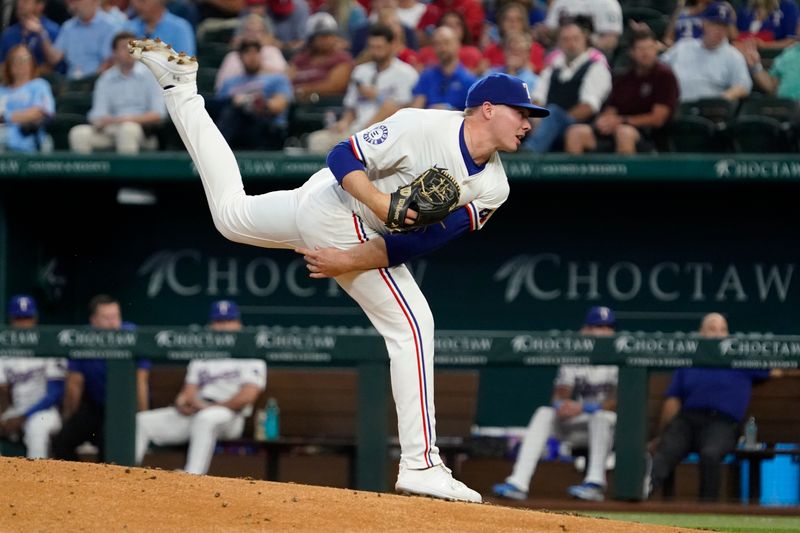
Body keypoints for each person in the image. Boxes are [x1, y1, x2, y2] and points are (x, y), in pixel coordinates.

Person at [128, 35, 548, 502]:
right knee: (414, 326)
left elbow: (426, 239)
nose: (528, 124)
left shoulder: (494, 188)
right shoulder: (421, 125)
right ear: (487, 109)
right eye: (521, 112)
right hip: (335, 202)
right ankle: (421, 464)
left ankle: (181, 90)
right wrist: (381, 203)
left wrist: (350, 258)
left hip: (339, 222)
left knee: (230, 216)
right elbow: (341, 156)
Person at [492, 306, 618, 502]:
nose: (603, 331)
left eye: (607, 327)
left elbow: (621, 401)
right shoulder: (576, 355)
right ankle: (518, 483)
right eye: (597, 326)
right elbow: (561, 392)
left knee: (601, 417)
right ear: (585, 330)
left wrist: (584, 407)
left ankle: (594, 484)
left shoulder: (619, 354)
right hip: (581, 425)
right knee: (544, 413)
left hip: (613, 429)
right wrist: (562, 404)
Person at [647, 313, 774, 502]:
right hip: (688, 420)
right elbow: (672, 401)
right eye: (712, 329)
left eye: (722, 330)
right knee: (667, 451)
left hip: (722, 423)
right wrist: (661, 435)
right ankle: (642, 498)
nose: (717, 334)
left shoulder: (740, 359)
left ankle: (707, 510)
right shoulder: (690, 361)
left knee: (710, 453)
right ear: (701, 333)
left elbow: (779, 367)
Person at [135, 300, 267, 474]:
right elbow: (188, 390)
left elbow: (247, 396)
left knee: (206, 418)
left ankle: (192, 475)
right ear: (211, 325)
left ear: (238, 324)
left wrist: (210, 407)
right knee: (142, 421)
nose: (224, 326)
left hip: (229, 416)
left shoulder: (250, 354)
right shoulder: (203, 353)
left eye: (228, 321)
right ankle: (125, 474)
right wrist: (183, 403)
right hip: (197, 410)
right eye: (219, 322)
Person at [51, 294, 151, 461]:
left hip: (125, 409)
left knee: (110, 445)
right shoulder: (82, 339)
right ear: (94, 321)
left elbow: (140, 382)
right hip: (95, 407)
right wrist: (68, 417)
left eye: (116, 317)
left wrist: (144, 419)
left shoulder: (133, 335)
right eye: (106, 318)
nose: (113, 324)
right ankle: (76, 482)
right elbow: (74, 384)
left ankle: (103, 485)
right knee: (62, 441)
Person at [306, 23, 418, 154]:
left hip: (387, 133)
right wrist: (344, 123)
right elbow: (351, 107)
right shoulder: (360, 71)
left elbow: (399, 109)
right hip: (357, 129)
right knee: (317, 140)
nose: (375, 51)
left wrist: (376, 97)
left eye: (379, 47)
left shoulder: (405, 73)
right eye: (372, 47)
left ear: (391, 46)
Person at [564, 28, 679, 155]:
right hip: (617, 128)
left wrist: (623, 120)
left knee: (624, 133)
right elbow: (613, 108)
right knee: (575, 132)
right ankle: (577, 175)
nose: (646, 53)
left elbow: (658, 118)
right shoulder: (624, 78)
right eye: (641, 49)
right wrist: (605, 121)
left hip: (649, 137)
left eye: (650, 48)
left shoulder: (664, 76)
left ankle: (627, 175)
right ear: (632, 52)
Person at [68, 31, 166, 154]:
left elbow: (158, 114)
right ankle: (87, 173)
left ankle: (127, 173)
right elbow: (97, 114)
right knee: (79, 133)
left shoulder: (151, 76)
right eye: (125, 47)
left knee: (127, 129)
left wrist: (128, 119)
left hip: (143, 131)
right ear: (114, 53)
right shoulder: (105, 79)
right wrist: (103, 120)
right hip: (111, 128)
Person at [523, 17, 611, 153]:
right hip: (547, 124)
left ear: (585, 40)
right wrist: (538, 120)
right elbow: (538, 99)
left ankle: (529, 153)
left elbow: (588, 107)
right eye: (566, 39)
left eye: (575, 39)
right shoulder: (553, 68)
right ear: (560, 43)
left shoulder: (596, 68)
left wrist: (557, 119)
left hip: (580, 125)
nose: (571, 44)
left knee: (553, 113)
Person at [0, 295, 66, 459]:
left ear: (35, 318)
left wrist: (23, 417)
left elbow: (54, 394)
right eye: (19, 319)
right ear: (11, 320)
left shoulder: (49, 346)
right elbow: (3, 391)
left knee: (37, 428)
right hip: (13, 410)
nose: (23, 324)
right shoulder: (4, 352)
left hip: (44, 412)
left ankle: (39, 480)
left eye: (27, 318)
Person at [661, 1, 752, 103]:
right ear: (704, 23)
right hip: (677, 108)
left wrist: (721, 100)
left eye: (724, 26)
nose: (720, 30)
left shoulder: (733, 55)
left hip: (709, 112)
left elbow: (744, 86)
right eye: (715, 24)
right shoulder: (683, 46)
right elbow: (658, 67)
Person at [213, 39, 293, 150]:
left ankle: (216, 150)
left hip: (266, 128)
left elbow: (280, 104)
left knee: (239, 111)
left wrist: (254, 103)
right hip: (235, 129)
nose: (252, 57)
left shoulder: (276, 78)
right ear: (240, 57)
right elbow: (219, 109)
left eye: (256, 52)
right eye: (247, 53)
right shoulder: (229, 82)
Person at [39, 0, 121, 80]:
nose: (75, 4)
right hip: (72, 83)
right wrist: (42, 34)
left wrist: (92, 80)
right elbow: (54, 59)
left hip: (98, 80)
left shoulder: (111, 25)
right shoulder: (68, 27)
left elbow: (109, 61)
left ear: (95, 1)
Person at [288, 11, 353, 103]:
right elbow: (286, 80)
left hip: (327, 105)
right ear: (311, 39)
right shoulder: (300, 59)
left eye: (330, 35)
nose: (326, 40)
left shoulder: (342, 58)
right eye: (321, 36)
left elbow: (334, 86)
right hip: (296, 104)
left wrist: (303, 90)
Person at [0, 45, 55, 153]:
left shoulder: (40, 85)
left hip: (29, 140)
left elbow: (38, 113)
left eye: (25, 59)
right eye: (16, 59)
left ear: (32, 63)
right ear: (9, 64)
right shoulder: (2, 90)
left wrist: (5, 116)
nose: (20, 63)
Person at [214, 14, 287, 92]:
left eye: (257, 31)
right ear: (242, 34)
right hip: (238, 95)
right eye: (249, 31)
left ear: (265, 34)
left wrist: (257, 69)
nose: (253, 35)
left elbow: (285, 79)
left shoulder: (273, 52)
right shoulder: (232, 56)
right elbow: (220, 87)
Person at [410, 26, 476, 110]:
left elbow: (473, 114)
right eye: (437, 44)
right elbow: (416, 108)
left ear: (457, 45)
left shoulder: (468, 80)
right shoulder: (427, 76)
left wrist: (448, 111)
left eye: (446, 42)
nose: (442, 48)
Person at [544, 0, 623, 56]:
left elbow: (611, 39)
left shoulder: (608, 3)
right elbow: (551, 30)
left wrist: (584, 47)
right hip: (562, 51)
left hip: (595, 52)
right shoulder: (560, 2)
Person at [0, 0, 60, 71]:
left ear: (39, 6)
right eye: (19, 1)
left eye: (25, 1)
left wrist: (41, 34)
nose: (20, 4)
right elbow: (2, 64)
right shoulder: (8, 33)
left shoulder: (53, 30)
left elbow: (55, 63)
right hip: (12, 80)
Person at [125, 0, 196, 56]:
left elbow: (186, 64)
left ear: (158, 2)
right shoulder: (128, 27)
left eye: (142, 1)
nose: (137, 6)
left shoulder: (180, 28)